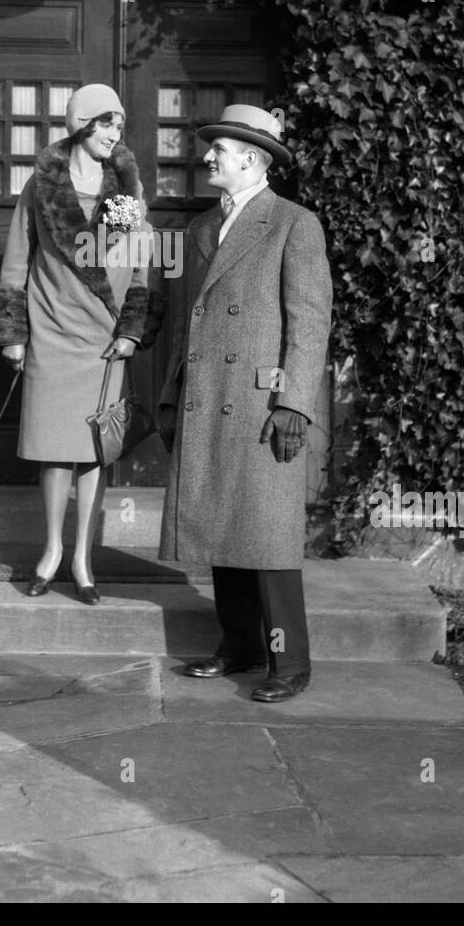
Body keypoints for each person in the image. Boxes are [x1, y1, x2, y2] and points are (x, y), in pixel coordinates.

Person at [158, 103, 332, 701]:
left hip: (263, 405)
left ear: (252, 160)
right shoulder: (203, 229)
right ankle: (239, 646)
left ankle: (289, 664)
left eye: (219, 151)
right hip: (208, 398)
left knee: (269, 537)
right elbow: (190, 321)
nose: (207, 157)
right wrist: (169, 392)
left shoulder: (293, 223)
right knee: (221, 530)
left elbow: (309, 322)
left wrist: (295, 404)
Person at [0, 83, 164, 603]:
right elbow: (16, 261)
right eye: (106, 122)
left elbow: (138, 264)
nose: (115, 133)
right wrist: (13, 337)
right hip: (51, 331)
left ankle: (83, 558)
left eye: (119, 124)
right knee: (53, 450)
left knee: (92, 451)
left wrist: (132, 330)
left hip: (103, 336)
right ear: (83, 124)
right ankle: (51, 551)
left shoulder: (126, 188)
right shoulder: (41, 187)